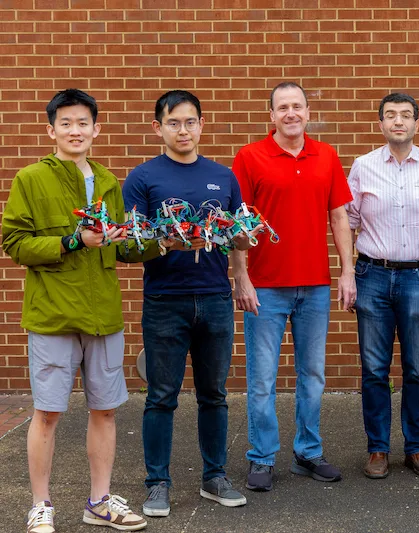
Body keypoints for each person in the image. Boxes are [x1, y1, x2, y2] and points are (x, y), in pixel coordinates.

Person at [2, 89, 147, 532]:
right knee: (47, 412)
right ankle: (41, 504)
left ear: (96, 129)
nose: (75, 130)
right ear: (51, 130)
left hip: (102, 314)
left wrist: (168, 242)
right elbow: (14, 243)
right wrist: (70, 241)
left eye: (83, 122)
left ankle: (99, 502)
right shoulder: (31, 179)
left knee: (105, 410)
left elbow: (123, 247)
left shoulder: (107, 180)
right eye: (66, 123)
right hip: (53, 315)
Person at [122, 90, 253, 518]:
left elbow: (237, 235)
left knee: (214, 395)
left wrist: (240, 265)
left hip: (215, 298)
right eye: (174, 122)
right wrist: (164, 242)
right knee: (161, 396)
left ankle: (214, 477)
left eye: (191, 121)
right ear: (158, 127)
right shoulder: (142, 178)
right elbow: (129, 246)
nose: (184, 130)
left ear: (201, 124)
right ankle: (157, 483)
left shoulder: (223, 176)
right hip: (164, 301)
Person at [231, 82, 356, 492]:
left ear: (307, 111)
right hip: (265, 287)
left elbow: (339, 218)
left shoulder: (327, 155)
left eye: (297, 106)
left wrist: (347, 271)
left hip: (316, 286)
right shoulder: (249, 158)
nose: (290, 113)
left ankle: (308, 452)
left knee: (312, 375)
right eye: (282, 107)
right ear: (271, 115)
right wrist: (242, 277)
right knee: (263, 378)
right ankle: (262, 458)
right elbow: (238, 227)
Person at [347, 93, 419, 479]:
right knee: (374, 368)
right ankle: (377, 449)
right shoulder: (362, 167)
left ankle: (417, 448)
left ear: (416, 123)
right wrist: (346, 272)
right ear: (380, 123)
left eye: (406, 116)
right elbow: (348, 221)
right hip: (372, 275)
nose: (398, 121)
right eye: (391, 115)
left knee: (417, 368)